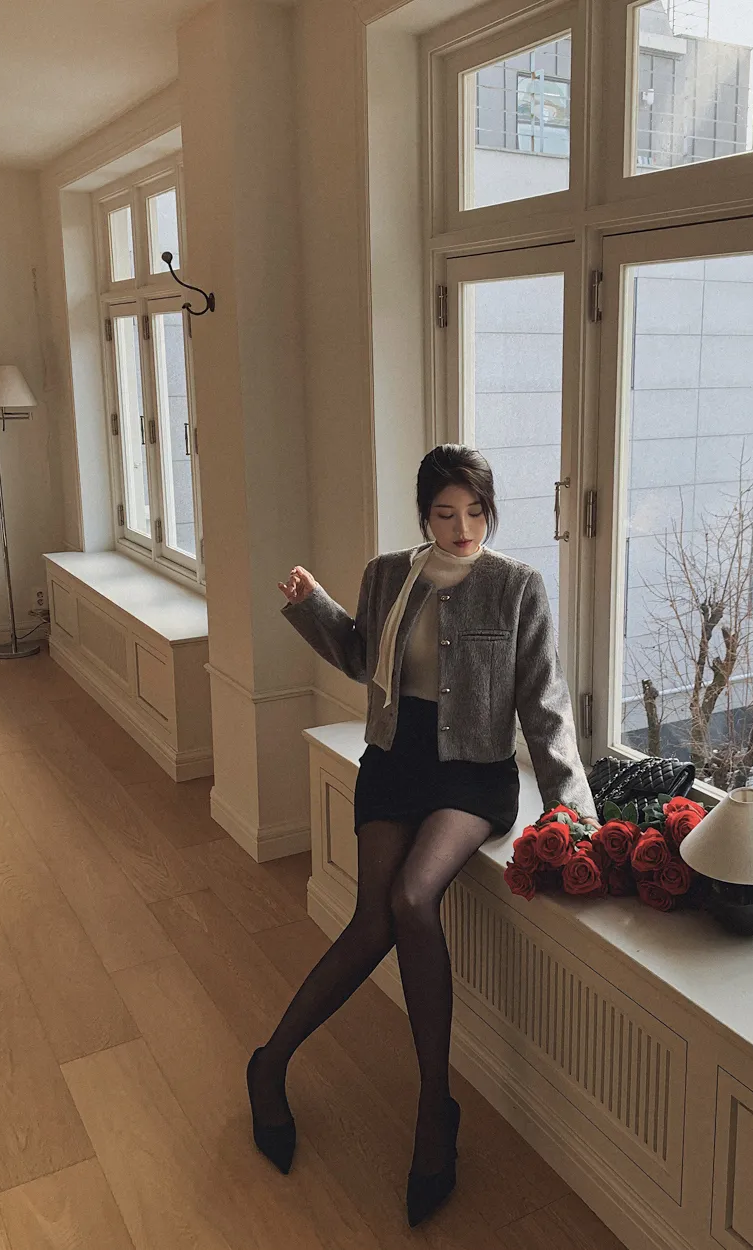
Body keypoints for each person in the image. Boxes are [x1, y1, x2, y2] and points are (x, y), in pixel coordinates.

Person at [246, 443, 598, 1227]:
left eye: (475, 511)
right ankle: (269, 1064)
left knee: (412, 898)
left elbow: (544, 705)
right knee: (372, 920)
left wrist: (574, 815)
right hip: (394, 761)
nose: (462, 527)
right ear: (423, 515)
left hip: (472, 774)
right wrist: (313, 605)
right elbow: (358, 655)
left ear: (490, 511)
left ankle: (434, 1106)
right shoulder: (387, 574)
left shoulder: (517, 587)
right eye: (445, 513)